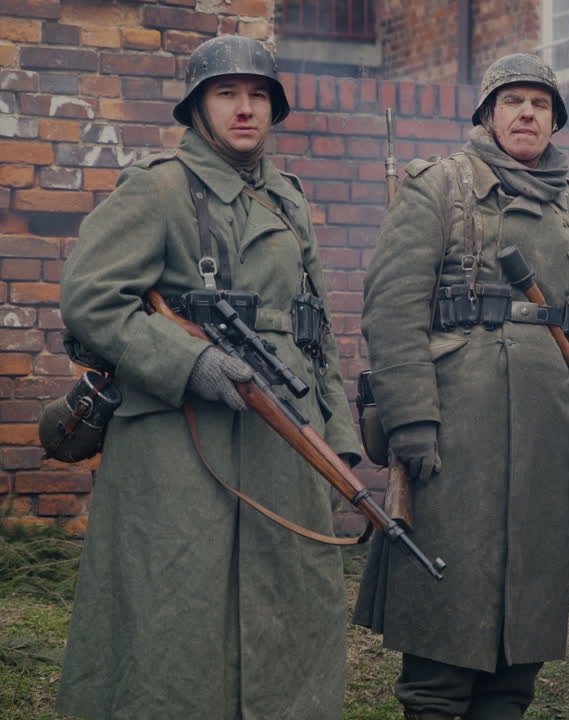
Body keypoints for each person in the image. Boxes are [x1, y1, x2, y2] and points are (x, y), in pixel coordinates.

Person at [55, 35, 361, 720]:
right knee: (175, 608)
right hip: (176, 444)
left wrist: (336, 435)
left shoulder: (288, 198)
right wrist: (188, 360)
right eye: (227, 94)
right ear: (198, 107)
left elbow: (314, 325)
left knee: (288, 596)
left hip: (281, 435)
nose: (245, 108)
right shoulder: (158, 188)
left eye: (258, 95)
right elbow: (91, 298)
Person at [352, 53, 569, 720]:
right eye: (513, 101)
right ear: (488, 113)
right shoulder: (440, 187)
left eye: (540, 104)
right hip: (455, 435)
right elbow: (392, 309)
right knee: (443, 618)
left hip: (545, 438)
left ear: (554, 121)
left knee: (522, 639)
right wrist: (411, 418)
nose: (526, 114)